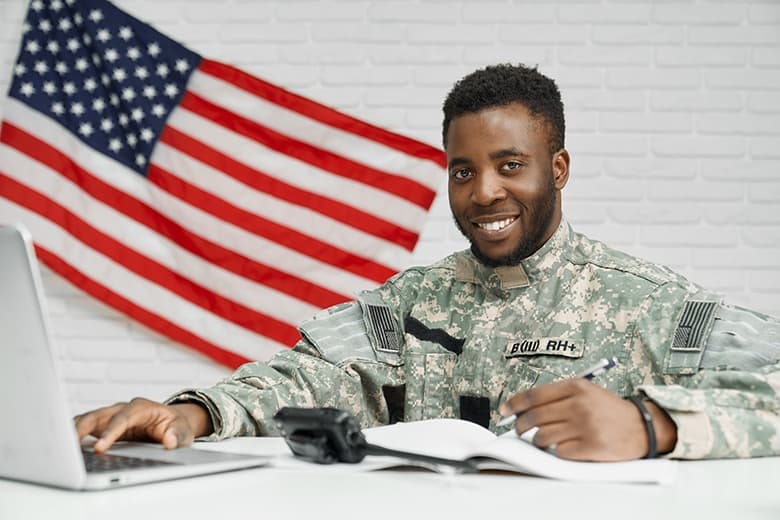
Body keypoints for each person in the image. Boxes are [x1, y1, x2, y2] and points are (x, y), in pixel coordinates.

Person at [75, 64, 780, 462]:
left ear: (557, 169)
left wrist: (653, 425)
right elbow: (306, 376)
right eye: (462, 171)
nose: (485, 193)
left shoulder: (651, 303)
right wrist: (191, 413)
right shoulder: (406, 306)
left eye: (511, 166)